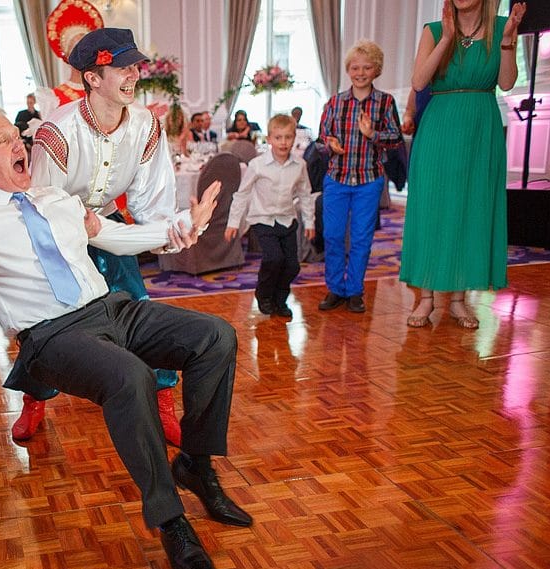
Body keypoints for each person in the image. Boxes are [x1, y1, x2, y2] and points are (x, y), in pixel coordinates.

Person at [0, 107, 250, 569]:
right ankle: (171, 520)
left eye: (19, 137)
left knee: (216, 336)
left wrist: (182, 225)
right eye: (4, 141)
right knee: (130, 377)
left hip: (112, 309)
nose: (20, 146)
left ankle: (196, 463)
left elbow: (117, 238)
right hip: (52, 335)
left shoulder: (57, 198)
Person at [30, 28, 187, 447]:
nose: (134, 75)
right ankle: (35, 398)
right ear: (92, 78)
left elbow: (154, 202)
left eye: (135, 66)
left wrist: (167, 232)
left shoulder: (146, 125)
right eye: (122, 68)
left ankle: (164, 402)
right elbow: (41, 208)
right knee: (47, 319)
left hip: (108, 223)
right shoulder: (56, 134)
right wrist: (75, 235)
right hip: (57, 233)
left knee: (138, 308)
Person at [400, 0, 525, 329]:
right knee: (432, 209)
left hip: (480, 129)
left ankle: (458, 300)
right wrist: (446, 40)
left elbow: (508, 82)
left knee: (471, 210)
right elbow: (418, 81)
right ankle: (425, 298)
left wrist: (509, 38)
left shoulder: (501, 27)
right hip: (439, 128)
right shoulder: (434, 30)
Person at [317, 40, 401, 314]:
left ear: (376, 70)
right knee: (332, 235)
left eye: (367, 67)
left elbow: (396, 139)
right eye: (355, 67)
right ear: (348, 70)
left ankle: (354, 290)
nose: (360, 72)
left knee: (362, 238)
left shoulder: (385, 102)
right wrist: (330, 145)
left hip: (369, 180)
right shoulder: (334, 102)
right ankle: (335, 289)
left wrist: (371, 135)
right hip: (337, 179)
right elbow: (321, 140)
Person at [225, 114, 315, 318]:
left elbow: (305, 194)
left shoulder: (300, 165)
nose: (283, 142)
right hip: (263, 219)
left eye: (288, 137)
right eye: (278, 137)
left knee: (292, 265)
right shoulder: (257, 165)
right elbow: (242, 194)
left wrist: (310, 223)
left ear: (294, 138)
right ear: (269, 139)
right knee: (274, 258)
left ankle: (280, 299)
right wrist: (233, 223)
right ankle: (264, 295)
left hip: (287, 219)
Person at [35, 0, 105, 117]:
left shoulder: (103, 91)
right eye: (76, 50)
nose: (83, 55)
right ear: (67, 56)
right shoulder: (53, 98)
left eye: (87, 49)